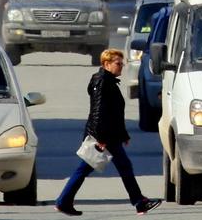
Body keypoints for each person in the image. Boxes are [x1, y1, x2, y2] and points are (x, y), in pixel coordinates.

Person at [55, 49, 162, 216]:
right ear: (106, 64)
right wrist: (100, 137)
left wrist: (123, 134)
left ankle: (64, 201)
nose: (121, 67)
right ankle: (139, 202)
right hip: (104, 137)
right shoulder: (102, 81)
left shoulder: (109, 81)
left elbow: (115, 113)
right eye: (118, 64)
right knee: (103, 168)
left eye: (122, 64)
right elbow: (98, 112)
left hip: (110, 136)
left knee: (94, 168)